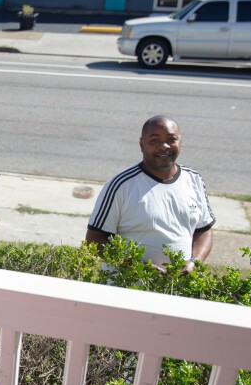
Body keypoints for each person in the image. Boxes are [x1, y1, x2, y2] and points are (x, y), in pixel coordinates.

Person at [86, 115, 215, 275]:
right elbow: (95, 239)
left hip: (178, 290)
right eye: (155, 140)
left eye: (171, 139)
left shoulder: (194, 179)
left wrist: (195, 261)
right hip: (129, 291)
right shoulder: (121, 185)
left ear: (180, 142)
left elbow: (204, 230)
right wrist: (136, 267)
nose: (164, 146)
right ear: (142, 144)